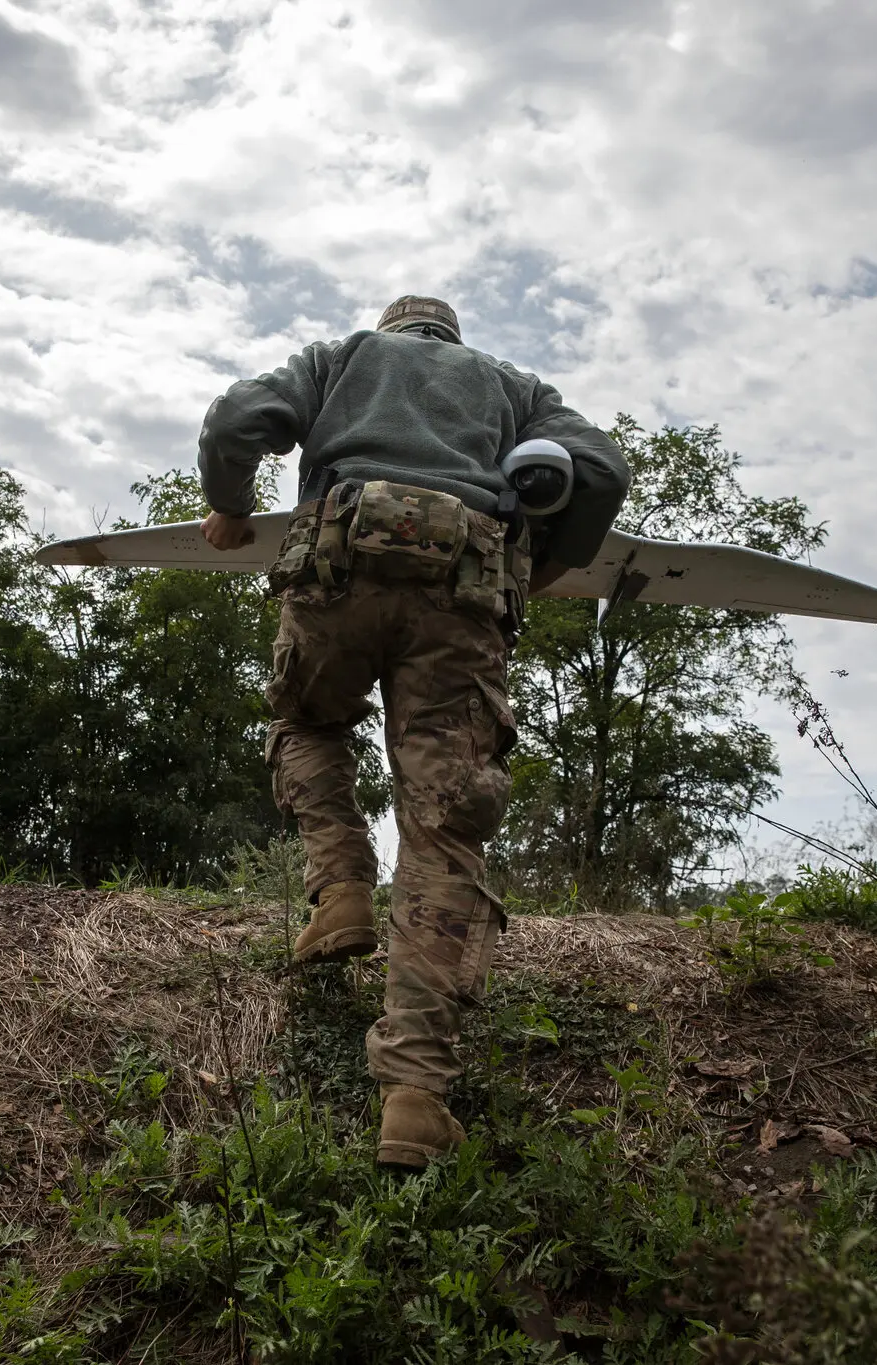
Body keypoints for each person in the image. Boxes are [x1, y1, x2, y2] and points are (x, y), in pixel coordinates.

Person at [196, 295, 628, 1169]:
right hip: (461, 598)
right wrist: (546, 565)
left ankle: (341, 890)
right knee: (442, 824)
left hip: (337, 570)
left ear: (394, 329)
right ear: (451, 337)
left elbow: (240, 417)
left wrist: (229, 503)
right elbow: (602, 470)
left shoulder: (343, 357)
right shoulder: (512, 387)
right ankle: (415, 1098)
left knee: (308, 719)